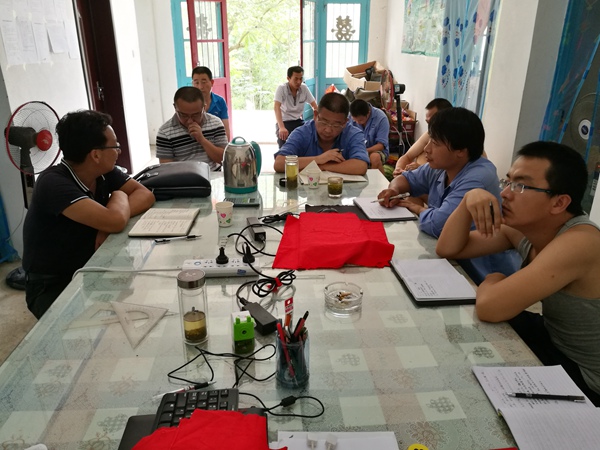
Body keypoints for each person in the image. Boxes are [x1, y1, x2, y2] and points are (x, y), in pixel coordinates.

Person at [436, 141, 600, 405]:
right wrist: (467, 200)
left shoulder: (581, 241)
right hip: (553, 337)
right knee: (459, 343)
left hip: (586, 377)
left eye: (521, 186)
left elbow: (490, 307)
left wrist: (494, 279)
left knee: (475, 377)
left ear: (559, 202)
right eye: (508, 181)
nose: (505, 193)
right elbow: (448, 248)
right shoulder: (526, 229)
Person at [22, 110, 155, 319]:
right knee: (82, 334)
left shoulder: (103, 171)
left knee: (140, 299)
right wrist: (119, 196)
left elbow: (145, 195)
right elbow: (116, 220)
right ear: (96, 154)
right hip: (52, 284)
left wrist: (105, 224)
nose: (119, 151)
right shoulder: (53, 183)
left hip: (89, 266)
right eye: (115, 146)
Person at [378, 107, 519, 284]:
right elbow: (407, 179)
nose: (427, 149)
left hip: (480, 276)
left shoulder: (479, 177)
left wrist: (419, 209)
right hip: (450, 260)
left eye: (435, 144)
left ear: (461, 150)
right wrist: (394, 190)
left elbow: (438, 226)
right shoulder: (442, 166)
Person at [273, 92, 369, 175]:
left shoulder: (353, 134)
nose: (328, 130)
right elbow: (279, 163)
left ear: (345, 123)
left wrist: (322, 166)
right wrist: (318, 159)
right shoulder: (302, 133)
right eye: (324, 122)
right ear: (315, 115)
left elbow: (361, 166)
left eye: (336, 125)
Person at [156, 86, 228, 170]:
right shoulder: (165, 132)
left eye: (196, 115)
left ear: (204, 108)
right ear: (175, 107)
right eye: (183, 115)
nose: (190, 121)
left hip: (212, 175)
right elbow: (167, 169)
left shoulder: (215, 123)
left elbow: (224, 159)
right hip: (183, 177)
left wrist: (202, 140)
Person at [393, 98, 452, 176]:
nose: (426, 149)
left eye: (433, 122)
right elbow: (407, 157)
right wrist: (399, 170)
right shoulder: (429, 134)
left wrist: (420, 169)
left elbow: (443, 174)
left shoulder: (450, 142)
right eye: (428, 123)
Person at [274, 66, 318, 148]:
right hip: (284, 122)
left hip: (298, 121)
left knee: (311, 135)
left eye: (301, 79)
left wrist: (317, 119)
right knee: (282, 137)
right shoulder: (281, 88)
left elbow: (314, 106)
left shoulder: (304, 88)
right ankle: (283, 155)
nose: (299, 82)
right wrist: (281, 127)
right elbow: (276, 107)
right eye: (296, 79)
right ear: (288, 78)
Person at [350, 99, 390, 174]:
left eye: (360, 120)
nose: (357, 123)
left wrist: (363, 151)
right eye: (355, 120)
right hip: (355, 149)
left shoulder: (381, 118)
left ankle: (375, 180)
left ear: (368, 113)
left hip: (375, 151)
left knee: (375, 158)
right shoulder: (350, 117)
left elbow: (381, 145)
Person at [191, 66, 231, 141]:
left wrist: (225, 145)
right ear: (192, 84)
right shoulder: (189, 103)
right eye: (196, 83)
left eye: (204, 82)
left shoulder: (220, 101)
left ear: (212, 82)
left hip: (217, 142)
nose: (200, 87)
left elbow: (226, 130)